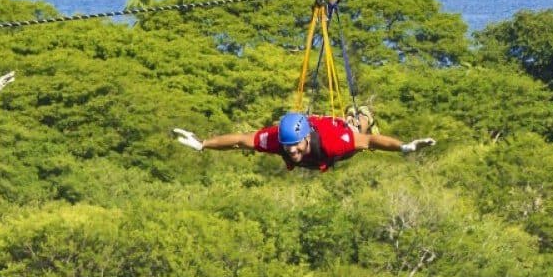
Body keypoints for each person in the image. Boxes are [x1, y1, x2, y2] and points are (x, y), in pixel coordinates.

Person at [172, 110, 434, 172]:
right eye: (289, 147)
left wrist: (404, 147)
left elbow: (371, 142)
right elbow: (241, 140)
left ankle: (362, 114)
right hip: (315, 130)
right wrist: (203, 143)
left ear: (306, 137)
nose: (292, 150)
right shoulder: (276, 139)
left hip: (332, 145)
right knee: (353, 130)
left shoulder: (335, 141)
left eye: (296, 144)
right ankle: (356, 115)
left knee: (358, 129)